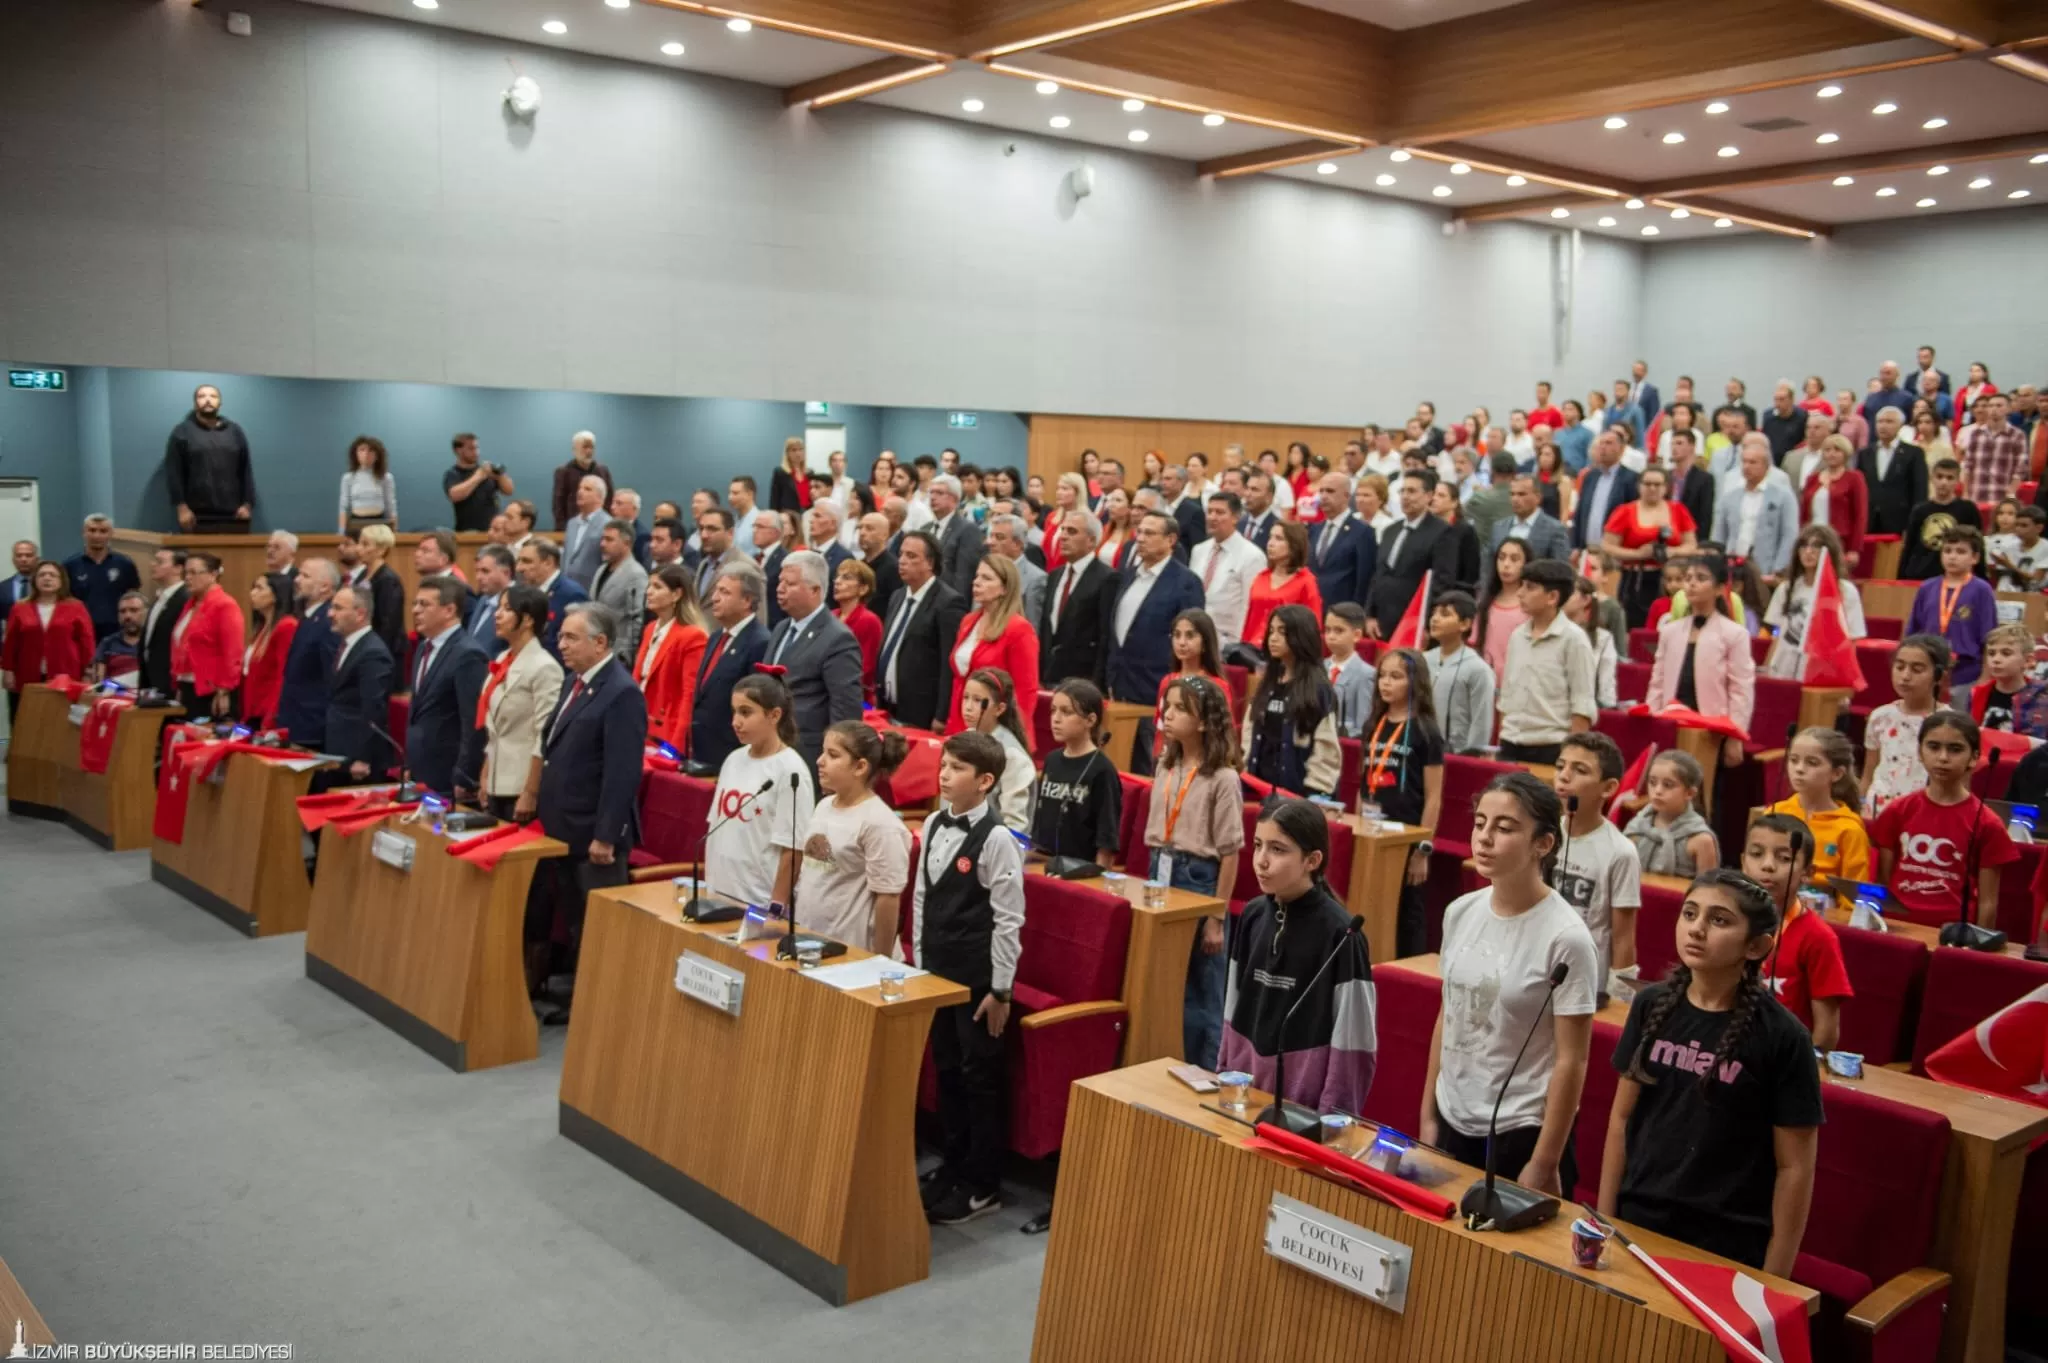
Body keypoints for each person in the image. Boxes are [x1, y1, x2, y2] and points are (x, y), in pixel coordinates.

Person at [1599, 868, 1822, 1276]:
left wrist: (1773, 1280)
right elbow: (1621, 1119)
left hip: (1726, 1241)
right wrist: (1605, 1221)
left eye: (1718, 920)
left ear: (1757, 946)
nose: (1696, 929)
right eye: (1689, 914)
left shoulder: (1785, 1037)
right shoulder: (1650, 1006)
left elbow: (1795, 1168)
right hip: (1638, 1222)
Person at [1426, 773, 1600, 1195]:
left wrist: (1544, 1161)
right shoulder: (1460, 912)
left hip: (1518, 1129)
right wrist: (1429, 1116)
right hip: (1453, 1116)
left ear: (1543, 843)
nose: (1484, 838)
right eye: (1480, 823)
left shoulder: (1567, 938)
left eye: (1504, 828)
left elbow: (1571, 1060)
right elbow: (1448, 1016)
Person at [911, 731, 1027, 1226]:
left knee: (981, 1079)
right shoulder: (935, 822)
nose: (943, 774)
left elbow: (1008, 920)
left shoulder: (997, 839)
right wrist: (917, 963)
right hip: (936, 973)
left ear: (984, 782)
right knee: (949, 1071)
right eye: (944, 765)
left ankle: (983, 1184)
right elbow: (921, 898)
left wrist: (1001, 990)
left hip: (979, 982)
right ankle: (954, 1165)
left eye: (956, 769)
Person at [525, 602, 647, 1025]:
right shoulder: (574, 682)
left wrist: (606, 835)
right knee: (576, 919)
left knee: (596, 924)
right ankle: (580, 995)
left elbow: (622, 771)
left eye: (571, 638)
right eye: (560, 637)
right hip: (563, 826)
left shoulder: (622, 692)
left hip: (594, 835)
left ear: (600, 642)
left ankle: (599, 1006)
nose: (561, 645)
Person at [1216, 798, 1377, 1109]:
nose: (1261, 860)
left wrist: (1333, 1115)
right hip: (1244, 1094)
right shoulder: (1252, 916)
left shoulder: (1341, 934)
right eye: (1259, 845)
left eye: (1278, 850)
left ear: (1312, 860)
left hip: (1302, 1108)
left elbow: (1353, 1041)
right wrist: (1225, 1074)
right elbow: (1232, 1007)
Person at [1149, 675, 1245, 1069]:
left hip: (1198, 877)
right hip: (1160, 868)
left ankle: (1205, 1068)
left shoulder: (1222, 777)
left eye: (1179, 709)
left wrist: (1215, 917)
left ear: (1204, 722)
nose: (1167, 715)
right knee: (1165, 979)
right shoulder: (1166, 764)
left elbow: (1231, 853)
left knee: (1202, 986)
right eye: (1166, 707)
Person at [1873, 708, 2019, 930]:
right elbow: (1881, 882)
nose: (1942, 758)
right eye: (1933, 747)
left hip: (1952, 933)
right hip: (1897, 927)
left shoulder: (1988, 824)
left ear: (1974, 757)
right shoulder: (1897, 810)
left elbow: (1988, 903)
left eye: (1955, 749)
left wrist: (1975, 951)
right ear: (1920, 752)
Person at [1356, 646, 1444, 954]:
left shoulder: (1425, 730)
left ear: (1414, 682)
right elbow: (1363, 781)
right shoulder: (1373, 723)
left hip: (1406, 837)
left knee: (1408, 909)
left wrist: (1423, 850)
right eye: (1382, 675)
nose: (1385, 683)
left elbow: (1434, 797)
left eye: (1396, 676)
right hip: (1371, 830)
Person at [704, 671, 814, 910]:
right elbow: (716, 829)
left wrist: (775, 907)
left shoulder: (791, 771)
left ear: (774, 715)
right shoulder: (733, 759)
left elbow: (792, 851)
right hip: (719, 892)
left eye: (746, 712)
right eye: (734, 712)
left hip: (756, 900)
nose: (736, 722)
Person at [802, 721, 913, 952]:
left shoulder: (880, 824)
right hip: (812, 940)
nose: (820, 761)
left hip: (852, 950)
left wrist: (880, 960)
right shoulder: (823, 806)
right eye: (823, 752)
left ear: (860, 767)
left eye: (832, 755)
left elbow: (888, 899)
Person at [1744, 815, 1852, 1052]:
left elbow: (1826, 1034)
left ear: (1808, 872)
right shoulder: (1730, 923)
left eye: (1784, 858)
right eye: (1756, 854)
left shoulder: (1818, 937)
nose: (1768, 865)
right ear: (1743, 861)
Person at [1551, 732, 1643, 1002]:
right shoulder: (1542, 833)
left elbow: (1624, 936)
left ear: (1609, 787)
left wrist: (1620, 995)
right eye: (1560, 766)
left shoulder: (1620, 852)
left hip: (1586, 982)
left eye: (1579, 770)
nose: (1564, 776)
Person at [1647, 555, 1756, 769]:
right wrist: (1652, 720)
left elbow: (1741, 690)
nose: (1692, 583)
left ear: (1719, 588)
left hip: (1712, 729)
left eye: (1701, 578)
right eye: (1688, 578)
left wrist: (1735, 736)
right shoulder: (1670, 631)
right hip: (1670, 722)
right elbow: (1657, 681)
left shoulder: (1734, 634)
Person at [764, 550, 863, 781]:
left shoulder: (837, 637)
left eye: (789, 583)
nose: (780, 589)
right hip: (771, 748)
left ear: (815, 590)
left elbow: (845, 710)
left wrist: (835, 762)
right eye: (780, 582)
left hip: (807, 754)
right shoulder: (780, 629)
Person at [470, 585, 562, 821]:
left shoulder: (544, 667)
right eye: (498, 607)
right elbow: (495, 728)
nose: (497, 614)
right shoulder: (503, 658)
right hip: (495, 780)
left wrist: (530, 792)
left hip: (521, 784)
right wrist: (485, 774)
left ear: (528, 619)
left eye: (507, 609)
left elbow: (543, 736)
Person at [1497, 559, 1595, 764]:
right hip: (1510, 741)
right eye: (1522, 585)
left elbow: (1582, 705)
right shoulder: (1517, 635)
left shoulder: (1574, 639)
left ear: (1552, 597)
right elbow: (1507, 696)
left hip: (1550, 746)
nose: (1520, 593)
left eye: (1530, 587)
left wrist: (1571, 756)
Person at [1102, 512, 1205, 707]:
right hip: (1119, 686)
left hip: (1157, 689)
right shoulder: (1128, 575)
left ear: (1170, 540)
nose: (1140, 539)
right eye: (1139, 532)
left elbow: (1191, 641)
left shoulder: (1186, 582)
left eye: (1149, 533)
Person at [401, 576, 488, 795]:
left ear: (449, 610)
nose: (415, 611)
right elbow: (418, 710)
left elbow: (473, 723)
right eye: (415, 603)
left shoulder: (468, 654)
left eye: (425, 604)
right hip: (420, 768)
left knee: (437, 829)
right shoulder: (423, 648)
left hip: (448, 774)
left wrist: (465, 774)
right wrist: (410, 764)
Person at [1242, 605, 1340, 797]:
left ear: (1301, 636)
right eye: (1271, 631)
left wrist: (1314, 794)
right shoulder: (1267, 684)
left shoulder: (1318, 689)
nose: (1273, 638)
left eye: (1282, 632)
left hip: (1297, 798)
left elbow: (1325, 752)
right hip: (1257, 790)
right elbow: (1249, 736)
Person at [876, 530, 967, 731]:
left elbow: (948, 663)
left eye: (911, 556)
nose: (902, 561)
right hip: (887, 706)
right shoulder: (897, 596)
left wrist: (941, 715)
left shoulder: (948, 603)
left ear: (930, 563)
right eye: (901, 554)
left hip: (921, 713)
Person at [945, 556, 1040, 740]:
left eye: (986, 578)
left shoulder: (1019, 629)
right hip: (961, 722)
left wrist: (1012, 736)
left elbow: (1025, 691)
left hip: (997, 729)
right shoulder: (968, 621)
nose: (977, 582)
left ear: (1005, 588)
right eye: (977, 576)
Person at [1032, 679, 1122, 869]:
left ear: (1090, 720)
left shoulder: (1102, 770)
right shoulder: (1052, 760)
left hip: (1080, 867)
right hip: (1043, 862)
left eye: (1066, 712)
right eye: (1053, 710)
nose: (1056, 718)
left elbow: (1106, 837)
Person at [690, 563, 771, 768]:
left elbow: (755, 704)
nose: (714, 598)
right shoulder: (717, 636)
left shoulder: (759, 642)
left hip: (732, 753)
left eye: (724, 592)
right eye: (716, 590)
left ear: (746, 600)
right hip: (701, 749)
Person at [1765, 728, 1871, 884]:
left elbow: (1852, 896)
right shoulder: (1775, 813)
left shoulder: (1849, 829)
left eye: (1812, 763)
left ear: (1837, 774)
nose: (1799, 769)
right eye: (1793, 760)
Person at [1860, 633, 1948, 817]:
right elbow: (1869, 771)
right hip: (1879, 810)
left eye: (1917, 669)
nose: (1905, 676)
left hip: (1923, 814)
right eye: (1899, 667)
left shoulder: (1948, 722)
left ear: (1938, 675)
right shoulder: (1880, 717)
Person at [1762, 526, 1866, 680]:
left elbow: (1852, 640)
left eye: (1816, 546)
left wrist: (1846, 679)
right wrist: (1767, 669)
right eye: (1804, 546)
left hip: (1821, 670)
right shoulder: (1786, 588)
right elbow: (1777, 633)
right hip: (1784, 667)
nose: (1808, 551)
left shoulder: (1845, 591)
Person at [1602, 465, 1697, 628]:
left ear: (1666, 487)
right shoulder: (1625, 511)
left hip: (1671, 581)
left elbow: (1691, 545)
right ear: (1639, 486)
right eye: (1647, 484)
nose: (1652, 488)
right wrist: (1638, 554)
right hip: (1635, 579)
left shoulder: (1678, 510)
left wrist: (1671, 552)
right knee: (1634, 625)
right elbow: (1608, 546)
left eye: (1657, 484)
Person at [1, 560, 95, 720]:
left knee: (60, 722)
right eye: (42, 575)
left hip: (66, 675)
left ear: (61, 581)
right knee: (30, 721)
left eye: (52, 575)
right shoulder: (20, 607)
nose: (47, 578)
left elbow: (87, 641)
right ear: (35, 580)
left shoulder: (76, 606)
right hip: (28, 675)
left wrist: (88, 671)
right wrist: (8, 670)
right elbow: (11, 642)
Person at [1905, 527, 1997, 687]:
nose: (1952, 557)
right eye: (1947, 551)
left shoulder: (1982, 590)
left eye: (1960, 552)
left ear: (1974, 557)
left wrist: (1985, 677)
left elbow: (1990, 638)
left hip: (1966, 673)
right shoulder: (1927, 587)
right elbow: (1913, 631)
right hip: (1927, 669)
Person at [322, 584, 394, 786]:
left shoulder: (373, 653)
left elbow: (374, 708)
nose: (330, 613)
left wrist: (363, 757)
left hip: (357, 758)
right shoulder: (347, 644)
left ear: (360, 614)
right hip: (339, 748)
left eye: (338, 608)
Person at [631, 564, 707, 747]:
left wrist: (677, 743)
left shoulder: (693, 636)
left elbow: (688, 695)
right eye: (649, 586)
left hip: (664, 732)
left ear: (677, 594)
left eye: (657, 587)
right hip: (638, 723)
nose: (648, 592)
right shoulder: (650, 629)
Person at [164, 383, 253, 533]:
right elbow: (174, 472)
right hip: (196, 516)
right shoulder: (182, 432)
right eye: (202, 396)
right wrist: (181, 507)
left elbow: (246, 470)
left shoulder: (235, 431)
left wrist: (247, 504)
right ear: (195, 403)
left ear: (220, 403)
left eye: (213, 396)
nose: (207, 400)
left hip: (235, 514)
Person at [1712, 440, 1801, 588]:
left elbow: (1789, 534)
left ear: (1766, 466)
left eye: (1753, 462)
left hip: (1766, 567)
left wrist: (1778, 568)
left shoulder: (1783, 496)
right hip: (1733, 566)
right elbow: (1719, 533)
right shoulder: (1730, 497)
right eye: (1744, 462)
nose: (1747, 467)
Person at [168, 553, 245, 722]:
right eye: (186, 573)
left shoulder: (225, 605)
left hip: (211, 690)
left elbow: (233, 652)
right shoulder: (190, 605)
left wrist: (224, 691)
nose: (188, 578)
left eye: (194, 573)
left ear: (213, 574)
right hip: (187, 686)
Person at [959, 667, 1035, 833]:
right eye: (965, 698)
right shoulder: (963, 740)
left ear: (999, 709)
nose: (968, 707)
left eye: (978, 700)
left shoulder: (1013, 756)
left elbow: (1015, 826)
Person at [272, 560, 339, 749]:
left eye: (305, 576)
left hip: (311, 724)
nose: (297, 580)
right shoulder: (309, 617)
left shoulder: (327, 622)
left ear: (325, 586)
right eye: (299, 574)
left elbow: (330, 677)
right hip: (295, 719)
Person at [1189, 492, 1266, 650]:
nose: (1212, 517)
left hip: (1227, 641)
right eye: (1209, 511)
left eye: (1220, 512)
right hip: (1194, 636)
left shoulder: (1252, 556)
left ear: (1236, 517)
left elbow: (1248, 605)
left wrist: (1238, 647)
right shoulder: (1199, 550)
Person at [1623, 750, 1718, 877]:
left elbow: (1708, 892)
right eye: (1652, 782)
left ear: (1689, 793)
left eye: (1668, 785)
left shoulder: (1701, 840)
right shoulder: (1636, 828)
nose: (1657, 791)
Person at [1240, 520, 1323, 664]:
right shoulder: (1261, 577)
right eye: (1270, 537)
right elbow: (1250, 619)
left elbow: (1313, 625)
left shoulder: (1306, 582)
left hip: (1288, 654)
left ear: (1294, 545)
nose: (1270, 543)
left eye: (1279, 539)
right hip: (1252, 651)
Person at [1423, 590, 1495, 755]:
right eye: (1434, 613)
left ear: (1465, 624)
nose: (1435, 619)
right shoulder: (1424, 660)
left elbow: (1481, 721)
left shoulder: (1478, 669)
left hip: (1457, 754)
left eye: (1445, 614)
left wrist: (1471, 756)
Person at [1898, 456, 1983, 580]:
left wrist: (1981, 578)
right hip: (1920, 575)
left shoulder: (1968, 509)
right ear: (1932, 479)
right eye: (1939, 477)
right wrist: (1901, 577)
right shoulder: (1920, 510)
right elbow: (1908, 547)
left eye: (1950, 478)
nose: (1944, 482)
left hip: (1955, 576)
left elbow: (1978, 546)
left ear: (1957, 481)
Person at [1305, 471, 1376, 614]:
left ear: (1346, 496)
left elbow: (1363, 580)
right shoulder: (1314, 530)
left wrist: (1357, 614)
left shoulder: (1362, 532)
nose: (1323, 496)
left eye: (1330, 491)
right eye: (1321, 491)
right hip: (1311, 610)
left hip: (1342, 613)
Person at [1797, 434, 1868, 571]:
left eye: (1837, 450)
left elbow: (1860, 515)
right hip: (1812, 538)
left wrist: (1854, 549)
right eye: (1827, 450)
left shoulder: (1854, 478)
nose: (1831, 454)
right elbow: (1803, 513)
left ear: (1845, 453)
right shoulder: (1812, 479)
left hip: (1840, 541)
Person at [64, 515, 140, 642]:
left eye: (103, 531)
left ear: (111, 534)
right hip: (81, 631)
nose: (97, 536)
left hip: (117, 632)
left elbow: (133, 597)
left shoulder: (125, 564)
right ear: (84, 532)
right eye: (92, 530)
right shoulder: (70, 565)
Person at [239, 575, 299, 730]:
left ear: (276, 594)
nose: (252, 593)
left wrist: (271, 717)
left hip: (267, 713)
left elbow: (282, 676)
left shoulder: (287, 626)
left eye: (259, 588)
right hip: (252, 710)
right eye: (253, 588)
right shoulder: (262, 627)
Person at [515, 537, 588, 659]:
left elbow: (578, 645)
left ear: (548, 562)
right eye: (519, 561)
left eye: (526, 561)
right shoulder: (528, 591)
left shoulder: (572, 594)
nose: (519, 568)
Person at [1971, 622, 2048, 737]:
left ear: (2028, 661)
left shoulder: (2040, 697)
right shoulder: (1977, 693)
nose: (1996, 659)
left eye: (2006, 653)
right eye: (1991, 653)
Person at [1472, 537, 1531, 684]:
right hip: (1486, 680)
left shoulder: (1530, 605)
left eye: (1514, 559)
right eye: (1501, 558)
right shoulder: (1485, 603)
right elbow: (1475, 642)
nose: (1506, 564)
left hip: (1519, 682)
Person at [588, 519, 648, 660]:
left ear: (626, 543)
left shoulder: (636, 574)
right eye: (603, 539)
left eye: (609, 540)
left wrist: (628, 655)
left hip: (618, 654)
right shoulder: (601, 570)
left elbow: (637, 619)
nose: (602, 544)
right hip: (596, 648)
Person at [350, 524, 408, 662]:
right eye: (359, 543)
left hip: (383, 650)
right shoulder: (362, 575)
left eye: (365, 544)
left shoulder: (388, 580)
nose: (358, 549)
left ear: (381, 550)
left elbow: (388, 624)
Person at [830, 559, 882, 702]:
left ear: (863, 589)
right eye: (837, 576)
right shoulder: (831, 616)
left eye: (846, 578)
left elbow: (867, 667)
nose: (837, 582)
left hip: (854, 697)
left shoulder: (869, 620)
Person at [1323, 603, 1377, 738]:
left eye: (1339, 630)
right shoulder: (1319, 668)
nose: (1331, 636)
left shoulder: (1366, 674)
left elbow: (1362, 722)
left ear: (1357, 635)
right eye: (1327, 630)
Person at [443, 432, 513, 533]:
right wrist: (479, 476)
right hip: (467, 531)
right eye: (471, 448)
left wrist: (500, 476)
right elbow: (455, 495)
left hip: (494, 531)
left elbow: (509, 490)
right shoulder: (453, 474)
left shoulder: (487, 470)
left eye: (477, 448)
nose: (476, 452)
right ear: (458, 450)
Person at [548, 431, 611, 532]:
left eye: (591, 447)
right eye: (585, 447)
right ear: (574, 449)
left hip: (599, 526)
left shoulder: (603, 471)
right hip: (572, 526)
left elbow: (609, 499)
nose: (589, 451)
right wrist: (562, 529)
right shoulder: (563, 472)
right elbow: (558, 504)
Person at [337, 435, 398, 532]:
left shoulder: (386, 478)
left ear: (377, 455)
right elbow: (343, 507)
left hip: (379, 523)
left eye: (370, 451)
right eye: (362, 450)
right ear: (355, 454)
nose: (366, 454)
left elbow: (391, 505)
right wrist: (341, 531)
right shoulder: (348, 478)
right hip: (356, 522)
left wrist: (394, 530)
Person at [561, 475, 610, 591]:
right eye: (580, 488)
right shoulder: (571, 523)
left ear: (600, 497)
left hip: (590, 589)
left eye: (587, 489)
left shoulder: (608, 524)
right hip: (566, 587)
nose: (580, 492)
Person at [466, 544, 515, 657]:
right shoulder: (483, 599)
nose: (478, 577)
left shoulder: (516, 602)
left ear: (506, 573)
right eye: (477, 571)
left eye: (485, 571)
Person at [90, 592, 147, 687]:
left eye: (134, 610)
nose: (127, 616)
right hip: (114, 696)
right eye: (123, 611)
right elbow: (98, 682)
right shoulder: (107, 643)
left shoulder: (155, 643)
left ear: (146, 612)